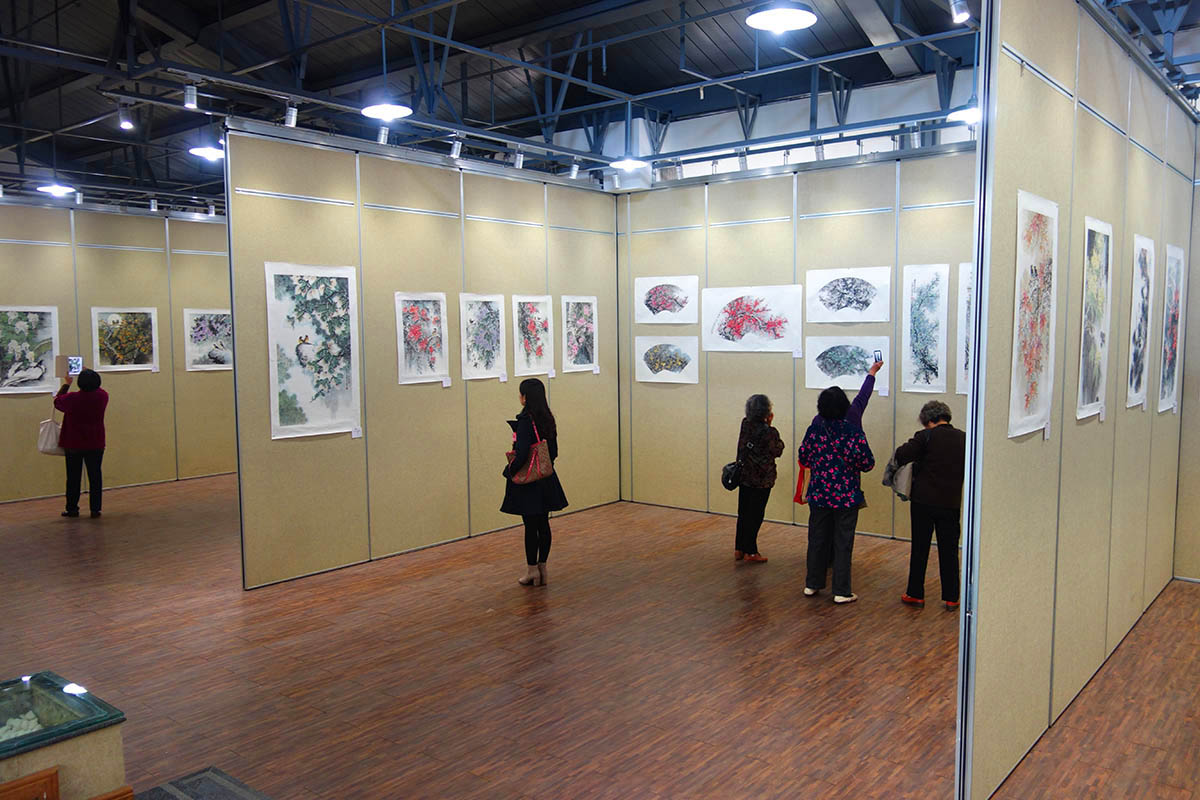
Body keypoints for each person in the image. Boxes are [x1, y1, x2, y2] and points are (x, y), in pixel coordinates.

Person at [798, 386, 875, 604]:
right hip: (846, 496)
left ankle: (812, 584)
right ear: (844, 407)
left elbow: (804, 457)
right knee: (843, 542)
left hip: (819, 493)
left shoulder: (814, 430)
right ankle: (841, 591)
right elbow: (868, 463)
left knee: (817, 539)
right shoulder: (853, 432)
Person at [893, 400, 966, 610]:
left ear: (928, 420)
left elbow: (901, 454)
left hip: (923, 502)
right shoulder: (964, 438)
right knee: (949, 550)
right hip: (950, 502)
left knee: (920, 548)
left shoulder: (925, 436)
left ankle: (915, 594)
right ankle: (952, 597)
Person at [501, 378, 568, 587]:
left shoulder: (525, 421)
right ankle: (542, 569)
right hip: (546, 479)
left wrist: (509, 470)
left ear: (525, 398)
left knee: (530, 527)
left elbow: (521, 454)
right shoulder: (548, 419)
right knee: (543, 524)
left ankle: (532, 571)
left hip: (529, 483)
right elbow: (554, 451)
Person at [734, 394, 785, 563]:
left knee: (743, 512)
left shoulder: (745, 424)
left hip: (744, 476)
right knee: (755, 515)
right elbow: (777, 450)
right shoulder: (770, 432)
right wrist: (768, 425)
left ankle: (739, 548)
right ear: (767, 412)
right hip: (762, 480)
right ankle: (751, 551)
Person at [54, 368, 109, 519]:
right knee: (95, 476)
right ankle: (95, 509)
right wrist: (89, 372)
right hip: (95, 442)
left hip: (73, 443)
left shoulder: (72, 398)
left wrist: (67, 384)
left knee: (73, 477)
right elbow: (98, 388)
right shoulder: (103, 396)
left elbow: (57, 402)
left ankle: (72, 509)